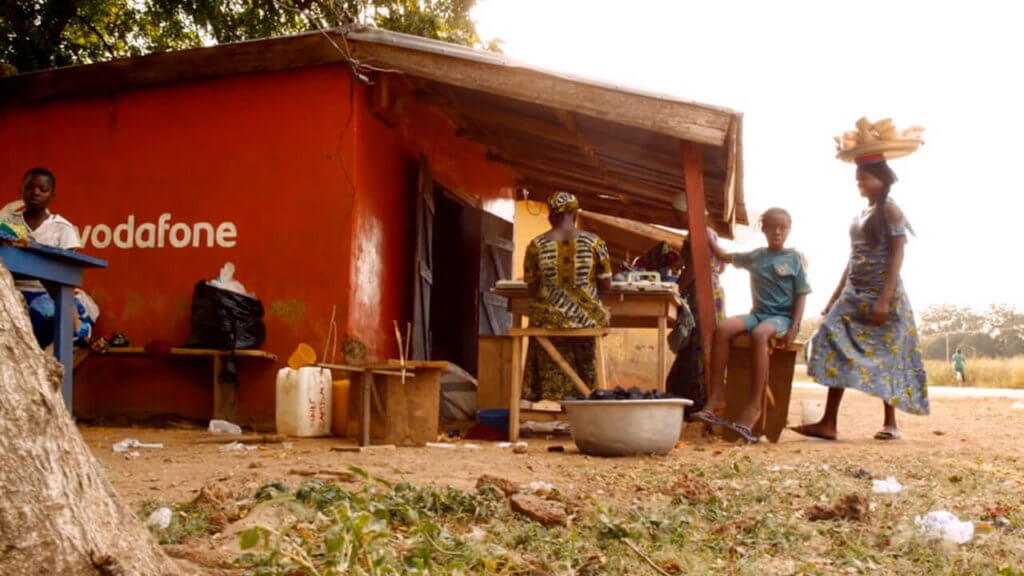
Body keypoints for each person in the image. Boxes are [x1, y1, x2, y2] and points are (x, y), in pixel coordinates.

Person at [793, 155, 928, 441]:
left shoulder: (890, 209)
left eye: (864, 178)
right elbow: (853, 257)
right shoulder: (864, 211)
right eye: (858, 179)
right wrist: (834, 298)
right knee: (831, 339)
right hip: (853, 293)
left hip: (882, 293)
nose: (859, 183)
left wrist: (884, 299)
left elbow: (898, 253)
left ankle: (891, 423)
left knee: (888, 354)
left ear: (882, 179)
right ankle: (828, 422)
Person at [690, 208, 811, 443]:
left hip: (781, 318)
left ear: (789, 229)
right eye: (772, 227)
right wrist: (706, 233)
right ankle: (717, 395)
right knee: (723, 329)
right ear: (763, 229)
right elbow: (725, 256)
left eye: (783, 227)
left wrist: (794, 327)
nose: (777, 232)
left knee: (759, 334)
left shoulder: (794, 258)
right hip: (758, 314)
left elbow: (801, 294)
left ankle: (754, 404)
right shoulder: (756, 256)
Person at [521, 191, 612, 401]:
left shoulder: (536, 245)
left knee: (540, 325)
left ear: (551, 217)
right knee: (588, 336)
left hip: (548, 320)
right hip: (587, 319)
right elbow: (605, 285)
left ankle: (548, 396)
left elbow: (532, 289)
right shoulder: (594, 243)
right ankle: (587, 396)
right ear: (575, 214)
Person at [1, 168, 93, 348]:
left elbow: (67, 270)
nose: (35, 192)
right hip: (9, 289)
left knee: (51, 317)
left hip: (43, 291)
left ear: (52, 195)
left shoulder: (61, 228)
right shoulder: (7, 222)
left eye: (43, 190)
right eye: (30, 188)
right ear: (21, 191)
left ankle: (80, 331)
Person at [665, 227, 727, 419]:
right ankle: (703, 402)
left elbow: (693, 268)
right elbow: (722, 267)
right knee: (703, 349)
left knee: (696, 349)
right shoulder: (712, 237)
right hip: (714, 293)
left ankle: (696, 405)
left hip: (702, 296)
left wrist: (674, 289)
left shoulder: (699, 234)